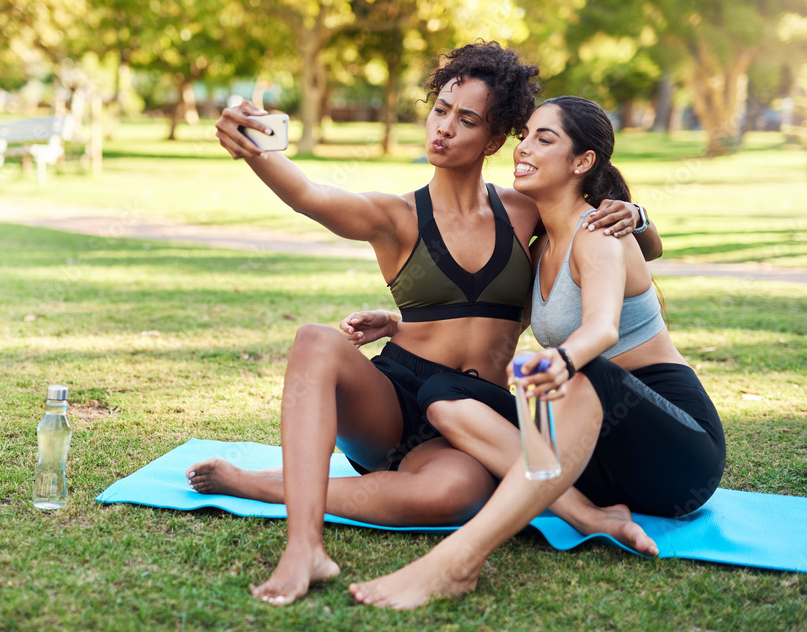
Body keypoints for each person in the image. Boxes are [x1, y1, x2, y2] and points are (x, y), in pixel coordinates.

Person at [191, 42, 660, 606]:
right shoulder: (394, 216)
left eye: (466, 120)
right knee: (315, 338)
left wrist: (636, 215)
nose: (443, 128)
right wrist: (255, 150)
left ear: (492, 140)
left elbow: (637, 248)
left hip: (471, 418)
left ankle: (257, 483)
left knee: (458, 495)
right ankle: (303, 547)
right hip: (391, 401)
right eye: (440, 110)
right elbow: (309, 195)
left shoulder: (528, 209)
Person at [346, 95, 726, 610]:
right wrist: (396, 322)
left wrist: (565, 361)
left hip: (677, 453)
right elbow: (500, 322)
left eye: (544, 139)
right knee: (444, 391)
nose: (524, 147)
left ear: (582, 162)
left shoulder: (599, 233)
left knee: (585, 372)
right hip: (595, 456)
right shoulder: (540, 248)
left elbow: (601, 329)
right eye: (525, 134)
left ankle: (458, 562)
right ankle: (585, 511)